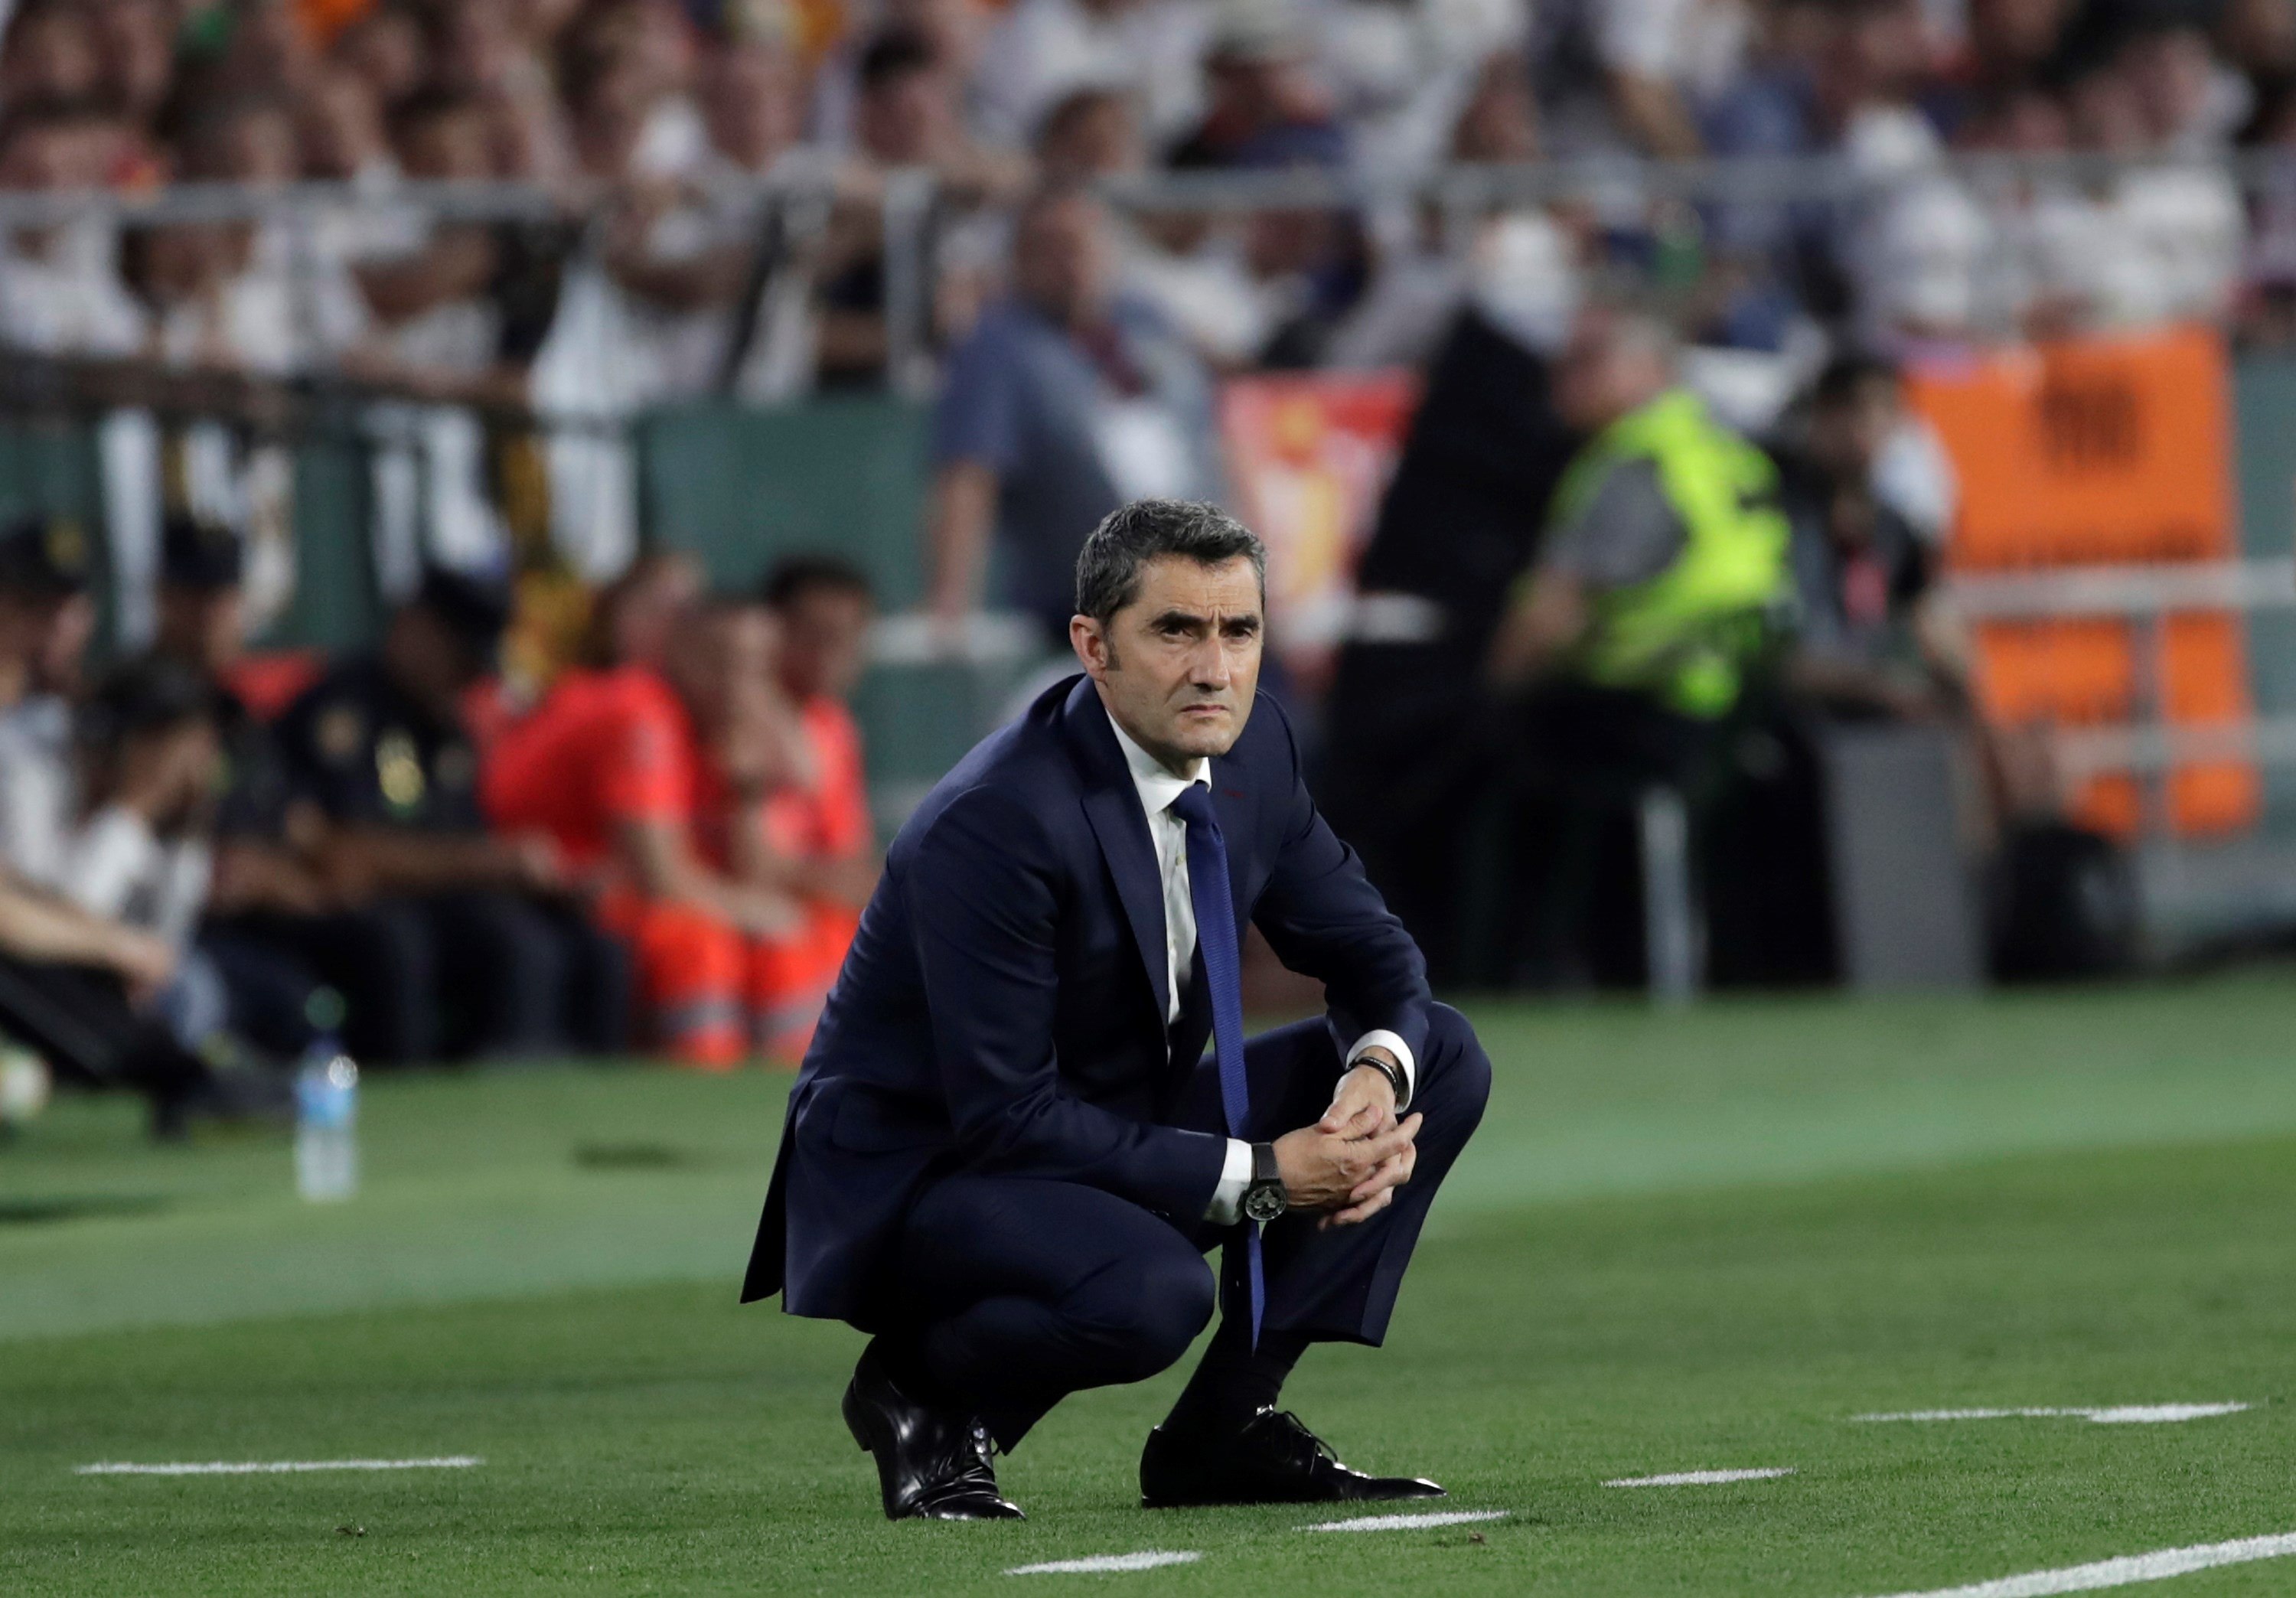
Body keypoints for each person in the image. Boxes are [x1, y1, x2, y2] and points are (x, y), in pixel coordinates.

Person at [742, 499, 1492, 1521]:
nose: (1215, 668)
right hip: (926, 1169)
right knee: (1148, 1294)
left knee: (1438, 1055)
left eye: (1240, 631)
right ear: (1094, 647)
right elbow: (1006, 1117)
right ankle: (920, 1389)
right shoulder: (999, 820)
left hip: (1099, 1115)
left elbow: (1373, 952)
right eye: (1176, 630)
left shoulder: (1253, 747)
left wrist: (1372, 1081)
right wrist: (1269, 1176)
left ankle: (1226, 1428)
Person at [1483, 306, 1790, 984]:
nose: (1564, 380)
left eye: (1588, 361)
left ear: (1647, 366)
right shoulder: (1720, 449)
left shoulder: (1633, 461)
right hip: (1739, 697)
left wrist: (1493, 688)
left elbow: (1555, 612)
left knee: (1477, 763)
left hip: (1645, 708)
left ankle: (1522, 966)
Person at [267, 569, 631, 1062]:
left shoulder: (446, 728)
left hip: (449, 902)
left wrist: (544, 880)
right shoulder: (343, 710)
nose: (470, 679)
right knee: (457, 944)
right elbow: (343, 851)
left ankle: (592, 1092)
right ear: (417, 629)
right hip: (360, 908)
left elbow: (464, 835)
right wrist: (489, 863)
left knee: (599, 946)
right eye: (462, 659)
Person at [480, 559, 823, 1066]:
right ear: (681, 656)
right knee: (703, 943)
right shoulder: (640, 709)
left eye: (757, 667)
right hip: (530, 882)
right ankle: (701, 1088)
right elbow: (662, 878)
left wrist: (749, 788)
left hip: (608, 889)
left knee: (803, 937)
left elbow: (789, 815)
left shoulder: (726, 726)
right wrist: (762, 910)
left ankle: (791, 1090)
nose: (739, 683)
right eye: (722, 661)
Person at [923, 185, 1218, 639]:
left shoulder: (1148, 321)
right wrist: (949, 606)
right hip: (1083, 617)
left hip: (1203, 598)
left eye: (1082, 245)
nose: (1071, 263)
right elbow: (969, 475)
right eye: (1051, 249)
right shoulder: (998, 346)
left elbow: (1215, 439)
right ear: (1019, 260)